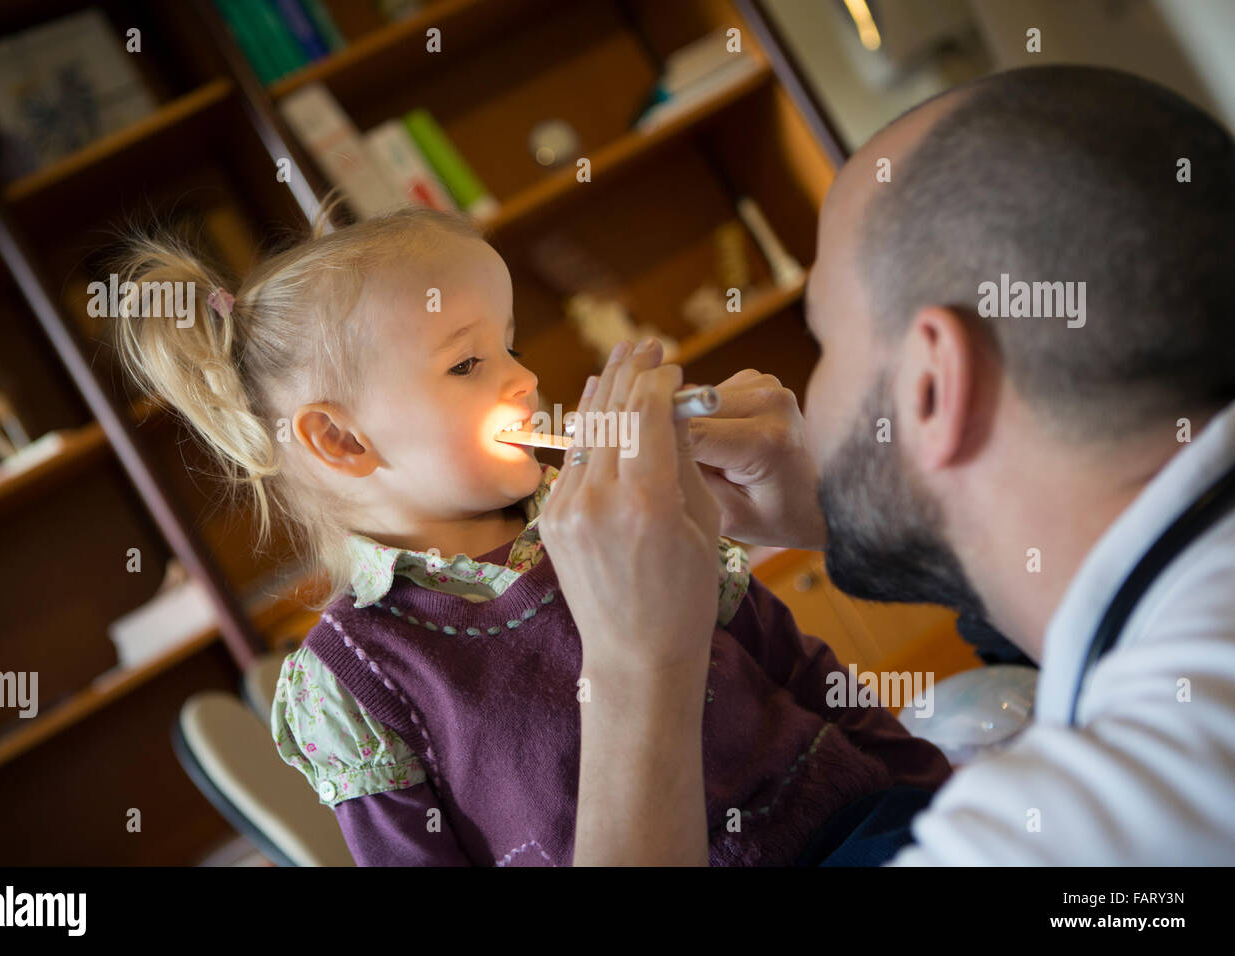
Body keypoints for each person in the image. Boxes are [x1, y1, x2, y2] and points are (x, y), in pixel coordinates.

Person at [110, 199, 950, 866]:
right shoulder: (354, 679)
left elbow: (801, 669)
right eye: (468, 363)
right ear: (341, 439)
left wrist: (940, 790)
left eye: (509, 346)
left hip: (878, 828)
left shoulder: (614, 512)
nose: (524, 378)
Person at [539, 64, 1235, 865]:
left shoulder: (1097, 825)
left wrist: (634, 664)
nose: (806, 394)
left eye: (825, 344)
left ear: (932, 383)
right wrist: (853, 510)